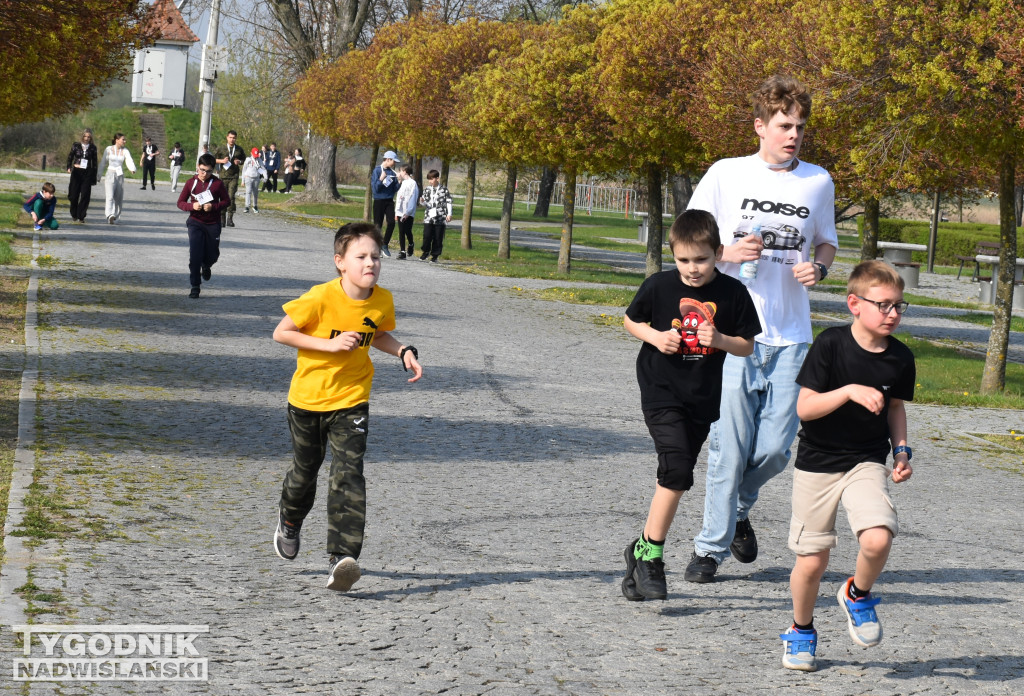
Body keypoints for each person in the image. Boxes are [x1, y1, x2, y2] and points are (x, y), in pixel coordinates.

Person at [684, 74, 839, 584]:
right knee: (730, 444)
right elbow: (688, 238)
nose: (794, 134)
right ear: (760, 126)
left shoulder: (817, 181)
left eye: (800, 126)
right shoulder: (726, 174)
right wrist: (727, 252)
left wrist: (820, 268)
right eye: (783, 125)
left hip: (793, 335)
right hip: (733, 333)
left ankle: (738, 510)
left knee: (775, 448)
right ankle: (709, 548)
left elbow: (826, 243)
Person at [272, 222, 423, 592]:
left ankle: (342, 557)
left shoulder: (381, 300)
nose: (370, 263)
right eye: (361, 257)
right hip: (307, 400)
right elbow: (282, 332)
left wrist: (403, 351)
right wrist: (328, 346)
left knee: (348, 473)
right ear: (340, 262)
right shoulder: (320, 298)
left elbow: (379, 333)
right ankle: (290, 520)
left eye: (376, 256)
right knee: (305, 471)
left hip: (352, 399)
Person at [778, 260, 915, 671]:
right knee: (812, 561)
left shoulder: (901, 358)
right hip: (817, 464)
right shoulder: (831, 345)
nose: (893, 314)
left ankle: (858, 593)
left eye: (899, 306)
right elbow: (806, 408)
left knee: (877, 538)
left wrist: (902, 451)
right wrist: (850, 390)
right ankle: (801, 630)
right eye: (884, 305)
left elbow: (895, 408)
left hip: (866, 462)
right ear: (855, 303)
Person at [620, 209, 761, 601]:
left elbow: (747, 345)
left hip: (701, 397)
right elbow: (630, 320)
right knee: (678, 469)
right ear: (673, 255)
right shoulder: (659, 285)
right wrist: (653, 337)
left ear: (718, 252)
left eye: (700, 259)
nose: (692, 268)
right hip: (661, 391)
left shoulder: (733, 294)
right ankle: (652, 557)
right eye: (683, 260)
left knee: (678, 471)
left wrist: (719, 340)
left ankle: (639, 552)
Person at [176, 153, 231, 299]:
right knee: (195, 254)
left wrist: (213, 207)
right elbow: (180, 203)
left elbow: (227, 201)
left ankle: (206, 265)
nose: (204, 174)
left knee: (213, 254)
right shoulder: (190, 183)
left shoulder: (217, 184)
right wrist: (192, 206)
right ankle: (195, 285)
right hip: (195, 222)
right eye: (201, 170)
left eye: (208, 171)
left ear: (213, 170)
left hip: (213, 223)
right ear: (197, 167)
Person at [97, 133, 136, 224]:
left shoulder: (125, 151)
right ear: (117, 140)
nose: (125, 141)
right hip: (110, 174)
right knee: (110, 196)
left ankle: (116, 216)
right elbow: (103, 162)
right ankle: (109, 215)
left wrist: (132, 168)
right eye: (123, 139)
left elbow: (129, 160)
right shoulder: (108, 149)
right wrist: (98, 175)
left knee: (118, 198)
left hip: (120, 175)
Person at [371, 150, 400, 257]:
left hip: (389, 201)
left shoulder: (392, 173)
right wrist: (380, 179)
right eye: (393, 161)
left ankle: (385, 244)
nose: (395, 163)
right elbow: (375, 189)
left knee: (391, 222)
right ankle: (376, 247)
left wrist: (399, 182)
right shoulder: (377, 171)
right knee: (377, 225)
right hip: (379, 200)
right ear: (387, 159)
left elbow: (394, 189)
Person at [418, 169, 452, 262]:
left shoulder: (444, 189)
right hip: (429, 217)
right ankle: (425, 251)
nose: (430, 181)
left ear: (437, 178)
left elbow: (449, 202)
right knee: (427, 235)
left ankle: (435, 255)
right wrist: (422, 202)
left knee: (438, 237)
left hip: (440, 217)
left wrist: (449, 214)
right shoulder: (427, 189)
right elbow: (424, 203)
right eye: (429, 179)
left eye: (431, 179)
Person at [65, 128, 98, 223]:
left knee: (85, 195)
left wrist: (94, 177)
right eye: (85, 136)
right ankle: (74, 213)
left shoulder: (93, 148)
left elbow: (94, 162)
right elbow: (70, 157)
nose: (86, 138)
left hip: (87, 172)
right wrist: (69, 167)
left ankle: (81, 215)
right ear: (82, 136)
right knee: (73, 195)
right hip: (76, 172)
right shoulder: (76, 145)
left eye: (88, 137)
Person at [214, 130, 246, 227]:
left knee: (231, 197)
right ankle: (222, 217)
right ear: (227, 137)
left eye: (234, 138)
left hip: (234, 176)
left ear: (236, 138)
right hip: (223, 176)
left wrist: (239, 162)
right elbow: (213, 159)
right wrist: (222, 161)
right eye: (230, 137)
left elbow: (244, 160)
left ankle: (230, 218)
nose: (232, 139)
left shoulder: (239, 149)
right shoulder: (221, 148)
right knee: (223, 197)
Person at [394, 165, 419, 259]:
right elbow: (398, 198)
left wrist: (408, 213)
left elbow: (413, 198)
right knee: (401, 231)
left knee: (407, 230)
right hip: (400, 212)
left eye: (400, 171)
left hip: (408, 212)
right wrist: (396, 212)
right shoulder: (402, 183)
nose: (399, 173)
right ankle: (402, 251)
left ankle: (411, 244)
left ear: (404, 171)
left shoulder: (413, 183)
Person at [241, 147, 266, 214]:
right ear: (251, 153)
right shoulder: (248, 160)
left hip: (256, 178)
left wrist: (265, 177)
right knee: (248, 192)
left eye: (256, 155)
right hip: (248, 177)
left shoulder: (259, 160)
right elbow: (244, 170)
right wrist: (243, 180)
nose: (255, 157)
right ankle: (247, 206)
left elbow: (263, 169)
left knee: (255, 193)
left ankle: (255, 206)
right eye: (254, 155)